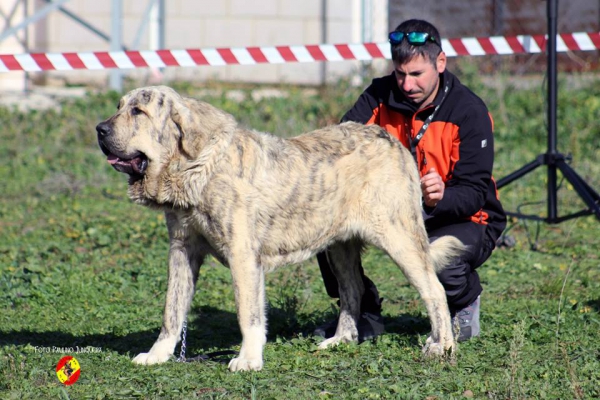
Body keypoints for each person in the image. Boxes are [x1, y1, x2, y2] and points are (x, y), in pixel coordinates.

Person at [314, 19, 507, 342]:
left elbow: (474, 194)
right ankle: (362, 311)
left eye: (417, 74)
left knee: (440, 257)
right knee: (324, 231)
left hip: (459, 214)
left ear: (440, 63)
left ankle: (464, 302)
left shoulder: (468, 110)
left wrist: (441, 196)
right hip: (389, 210)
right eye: (400, 74)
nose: (406, 85)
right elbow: (339, 144)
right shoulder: (378, 94)